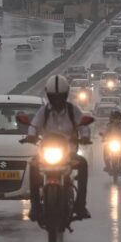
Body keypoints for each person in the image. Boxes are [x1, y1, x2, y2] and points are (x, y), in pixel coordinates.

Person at [26, 75, 91, 221]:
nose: (57, 100)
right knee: (33, 166)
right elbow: (34, 125)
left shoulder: (73, 111)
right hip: (46, 154)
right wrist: (31, 135)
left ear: (66, 95)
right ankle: (35, 207)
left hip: (68, 154)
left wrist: (85, 136)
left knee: (83, 164)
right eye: (53, 97)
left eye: (60, 97)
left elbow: (83, 126)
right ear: (48, 96)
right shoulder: (44, 111)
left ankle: (80, 205)